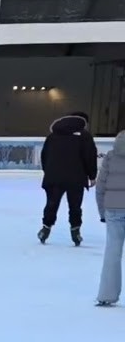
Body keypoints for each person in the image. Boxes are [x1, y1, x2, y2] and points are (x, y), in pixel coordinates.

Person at [38, 112, 99, 246]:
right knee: (75, 206)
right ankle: (75, 231)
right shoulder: (84, 136)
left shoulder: (53, 136)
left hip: (54, 177)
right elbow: (90, 156)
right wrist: (92, 175)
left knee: (52, 203)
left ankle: (45, 228)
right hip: (76, 178)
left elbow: (44, 156)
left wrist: (49, 171)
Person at [95, 131, 125, 306]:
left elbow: (100, 187)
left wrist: (102, 213)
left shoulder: (110, 157)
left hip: (113, 210)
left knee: (112, 253)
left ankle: (107, 295)